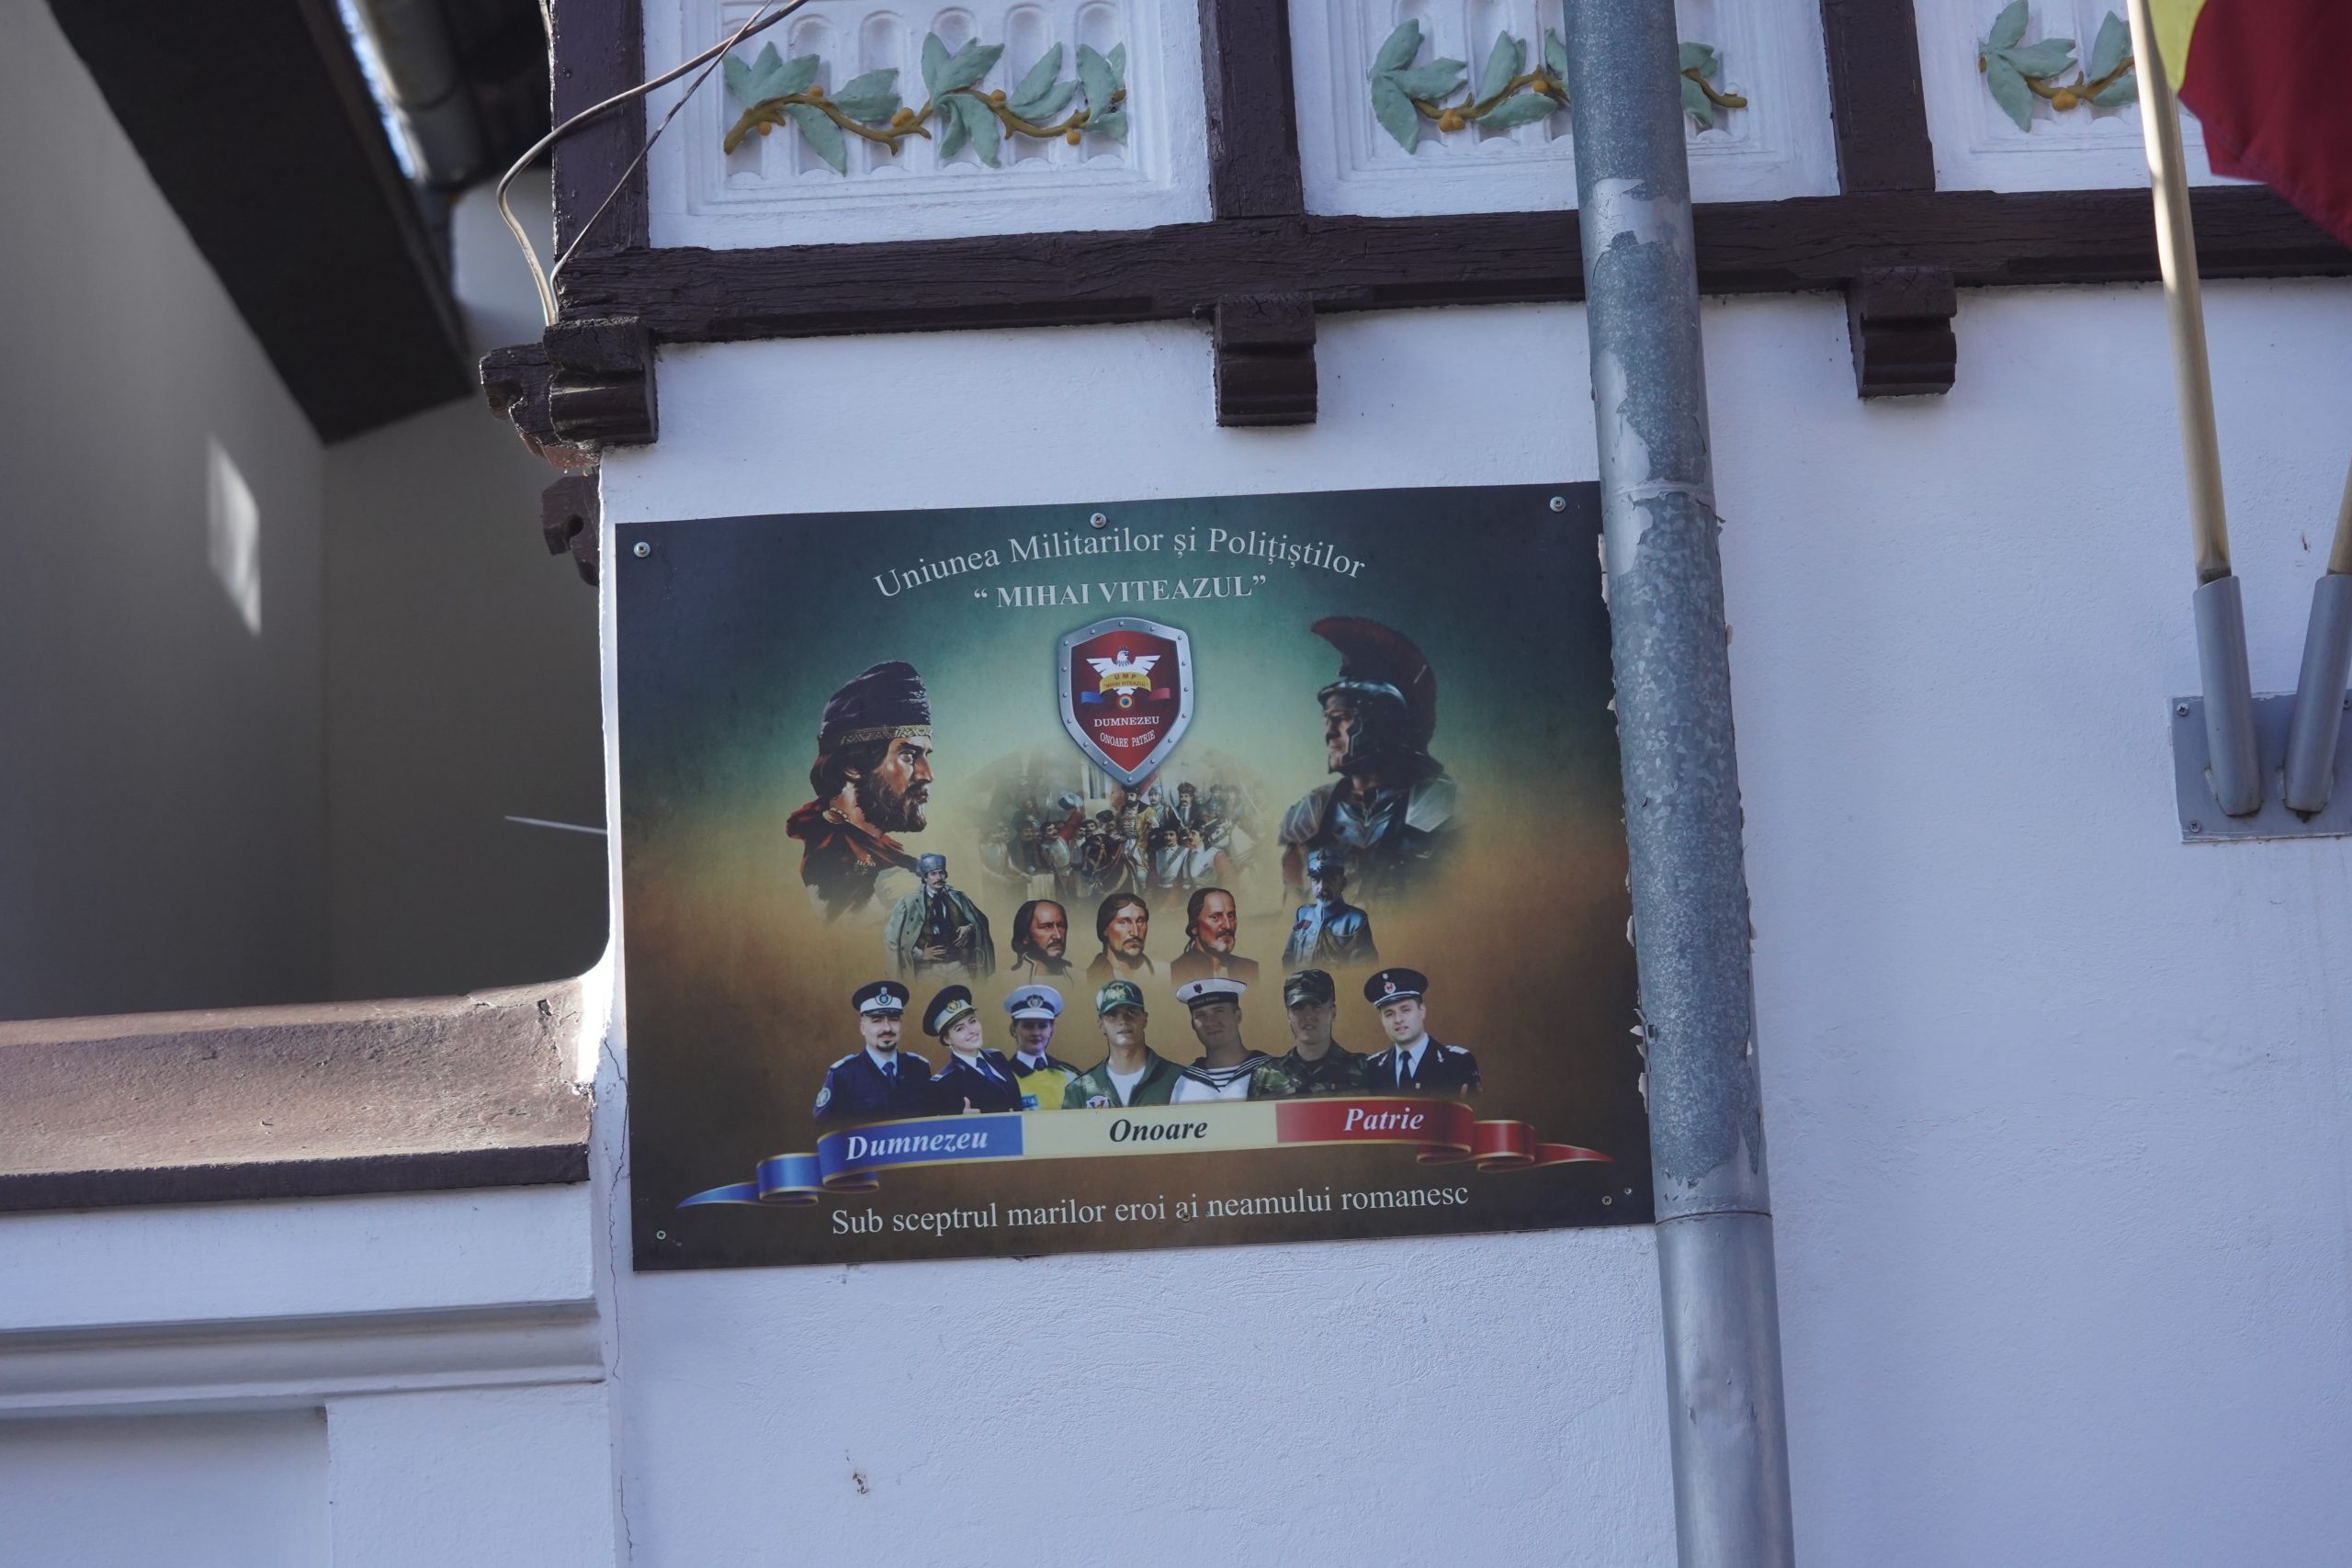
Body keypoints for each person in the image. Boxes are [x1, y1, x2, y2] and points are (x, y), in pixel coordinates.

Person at [1278, 619, 1456, 897]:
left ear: (1383, 722)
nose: (1329, 733)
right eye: (1328, 719)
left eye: (1342, 718)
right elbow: (1293, 900)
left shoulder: (1439, 803)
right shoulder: (1315, 809)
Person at [786, 661, 936, 918]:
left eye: (925, 755)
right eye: (909, 755)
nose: (927, 775)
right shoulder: (830, 864)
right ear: (854, 765)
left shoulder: (887, 857)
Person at [811, 980, 931, 1122]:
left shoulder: (919, 1068)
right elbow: (825, 1126)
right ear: (863, 1028)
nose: (887, 1028)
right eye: (877, 1021)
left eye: (894, 1019)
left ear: (901, 1025)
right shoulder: (843, 1075)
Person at [1357, 967, 1480, 1095]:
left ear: (1422, 1011)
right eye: (1389, 1014)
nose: (1398, 1019)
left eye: (1405, 1010)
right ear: (1381, 1019)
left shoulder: (1457, 1062)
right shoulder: (1372, 1067)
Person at [1062, 980, 1182, 1108]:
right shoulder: (1080, 1090)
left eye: (1131, 1012)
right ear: (1101, 1024)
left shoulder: (1179, 1079)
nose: (1123, 1021)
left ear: (1144, 1019)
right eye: (1112, 1015)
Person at [1250, 968, 1367, 1097]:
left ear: (1333, 1012)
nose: (1308, 1015)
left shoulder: (1365, 1069)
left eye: (1316, 1006)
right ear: (1288, 1015)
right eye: (1298, 1008)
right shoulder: (1265, 1076)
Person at [884, 853, 995, 978]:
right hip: (927, 969)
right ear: (925, 878)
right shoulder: (909, 903)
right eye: (933, 874)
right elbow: (893, 938)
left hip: (959, 966)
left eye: (941, 873)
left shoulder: (959, 898)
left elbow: (981, 921)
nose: (939, 877)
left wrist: (970, 927)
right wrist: (919, 954)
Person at [920, 984, 1023, 1113]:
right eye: (960, 1028)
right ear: (947, 1039)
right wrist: (962, 1121)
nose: (972, 1031)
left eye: (972, 1021)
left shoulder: (997, 1056)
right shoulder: (944, 1083)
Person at [1170, 976, 1274, 1101]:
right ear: (1193, 1024)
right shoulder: (1185, 1083)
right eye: (1200, 1015)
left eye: (1218, 1011)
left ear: (1238, 1016)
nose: (1210, 1022)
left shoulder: (1273, 1072)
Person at [1281, 847, 1378, 967]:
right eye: (1316, 880)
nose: (1322, 887)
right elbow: (1289, 956)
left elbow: (1364, 968)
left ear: (1342, 883)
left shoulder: (1356, 921)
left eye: (1330, 879)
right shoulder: (1303, 914)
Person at [1003, 987, 1079, 1110]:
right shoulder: (1003, 1079)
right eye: (1028, 1026)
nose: (1036, 1033)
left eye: (1043, 1026)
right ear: (1013, 1029)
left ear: (1051, 1030)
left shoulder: (1070, 1075)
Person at [1170, 886, 1261, 987]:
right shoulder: (1175, 972)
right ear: (1194, 927)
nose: (1228, 926)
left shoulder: (1251, 970)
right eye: (1215, 917)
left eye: (1231, 916)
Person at [1085, 892, 1155, 981]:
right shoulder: (1084, 979)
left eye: (1140, 921)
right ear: (1105, 929)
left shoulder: (1166, 973)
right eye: (1124, 922)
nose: (1135, 933)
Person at [1006, 898, 1072, 979]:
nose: (1058, 936)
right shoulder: (1003, 980)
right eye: (1046, 927)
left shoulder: (1082, 978)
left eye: (1061, 926)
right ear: (1026, 936)